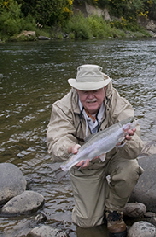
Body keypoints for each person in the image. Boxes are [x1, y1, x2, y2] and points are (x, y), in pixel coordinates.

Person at [47, 64, 143, 237]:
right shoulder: (62, 107)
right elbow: (55, 142)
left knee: (131, 167)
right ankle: (99, 194)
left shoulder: (119, 104)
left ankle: (114, 211)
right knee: (88, 224)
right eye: (85, 91)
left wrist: (125, 142)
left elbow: (135, 149)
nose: (90, 96)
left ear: (105, 88)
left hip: (114, 156)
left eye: (96, 90)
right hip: (85, 161)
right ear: (76, 90)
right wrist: (72, 148)